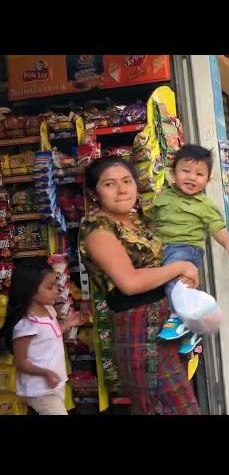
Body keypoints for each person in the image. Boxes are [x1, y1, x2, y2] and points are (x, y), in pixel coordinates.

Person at [79, 156, 201, 415]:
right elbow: (130, 282)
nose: (122, 189)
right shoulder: (97, 229)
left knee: (167, 403)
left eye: (127, 181)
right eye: (109, 184)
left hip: (163, 323)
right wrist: (179, 269)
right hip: (139, 329)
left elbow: (159, 264)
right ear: (94, 193)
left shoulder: (134, 220)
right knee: (169, 406)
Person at [150, 145, 229, 353]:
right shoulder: (162, 197)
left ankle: (176, 319)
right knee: (167, 286)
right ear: (173, 173)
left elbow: (217, 226)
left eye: (199, 174)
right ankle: (193, 329)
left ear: (208, 180)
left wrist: (228, 243)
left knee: (177, 282)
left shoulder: (204, 205)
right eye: (186, 171)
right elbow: (153, 223)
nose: (192, 177)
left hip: (186, 249)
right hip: (162, 249)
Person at [0, 261, 85, 415]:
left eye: (56, 285)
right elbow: (21, 362)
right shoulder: (26, 324)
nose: (56, 290)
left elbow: (49, 335)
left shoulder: (48, 310)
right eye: (49, 287)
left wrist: (69, 323)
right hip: (40, 389)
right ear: (30, 292)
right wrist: (45, 373)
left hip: (53, 385)